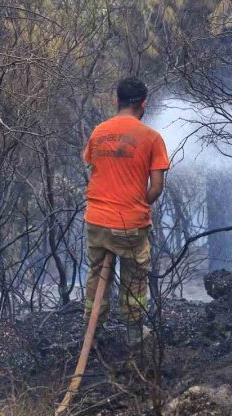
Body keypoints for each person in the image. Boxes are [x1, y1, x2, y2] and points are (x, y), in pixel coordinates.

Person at [82, 76, 169, 348]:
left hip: (96, 219)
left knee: (97, 273)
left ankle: (92, 334)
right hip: (130, 224)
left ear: (116, 101)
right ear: (143, 104)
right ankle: (134, 336)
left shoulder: (98, 132)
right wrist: (136, 205)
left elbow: (94, 168)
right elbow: (156, 187)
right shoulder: (152, 138)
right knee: (134, 279)